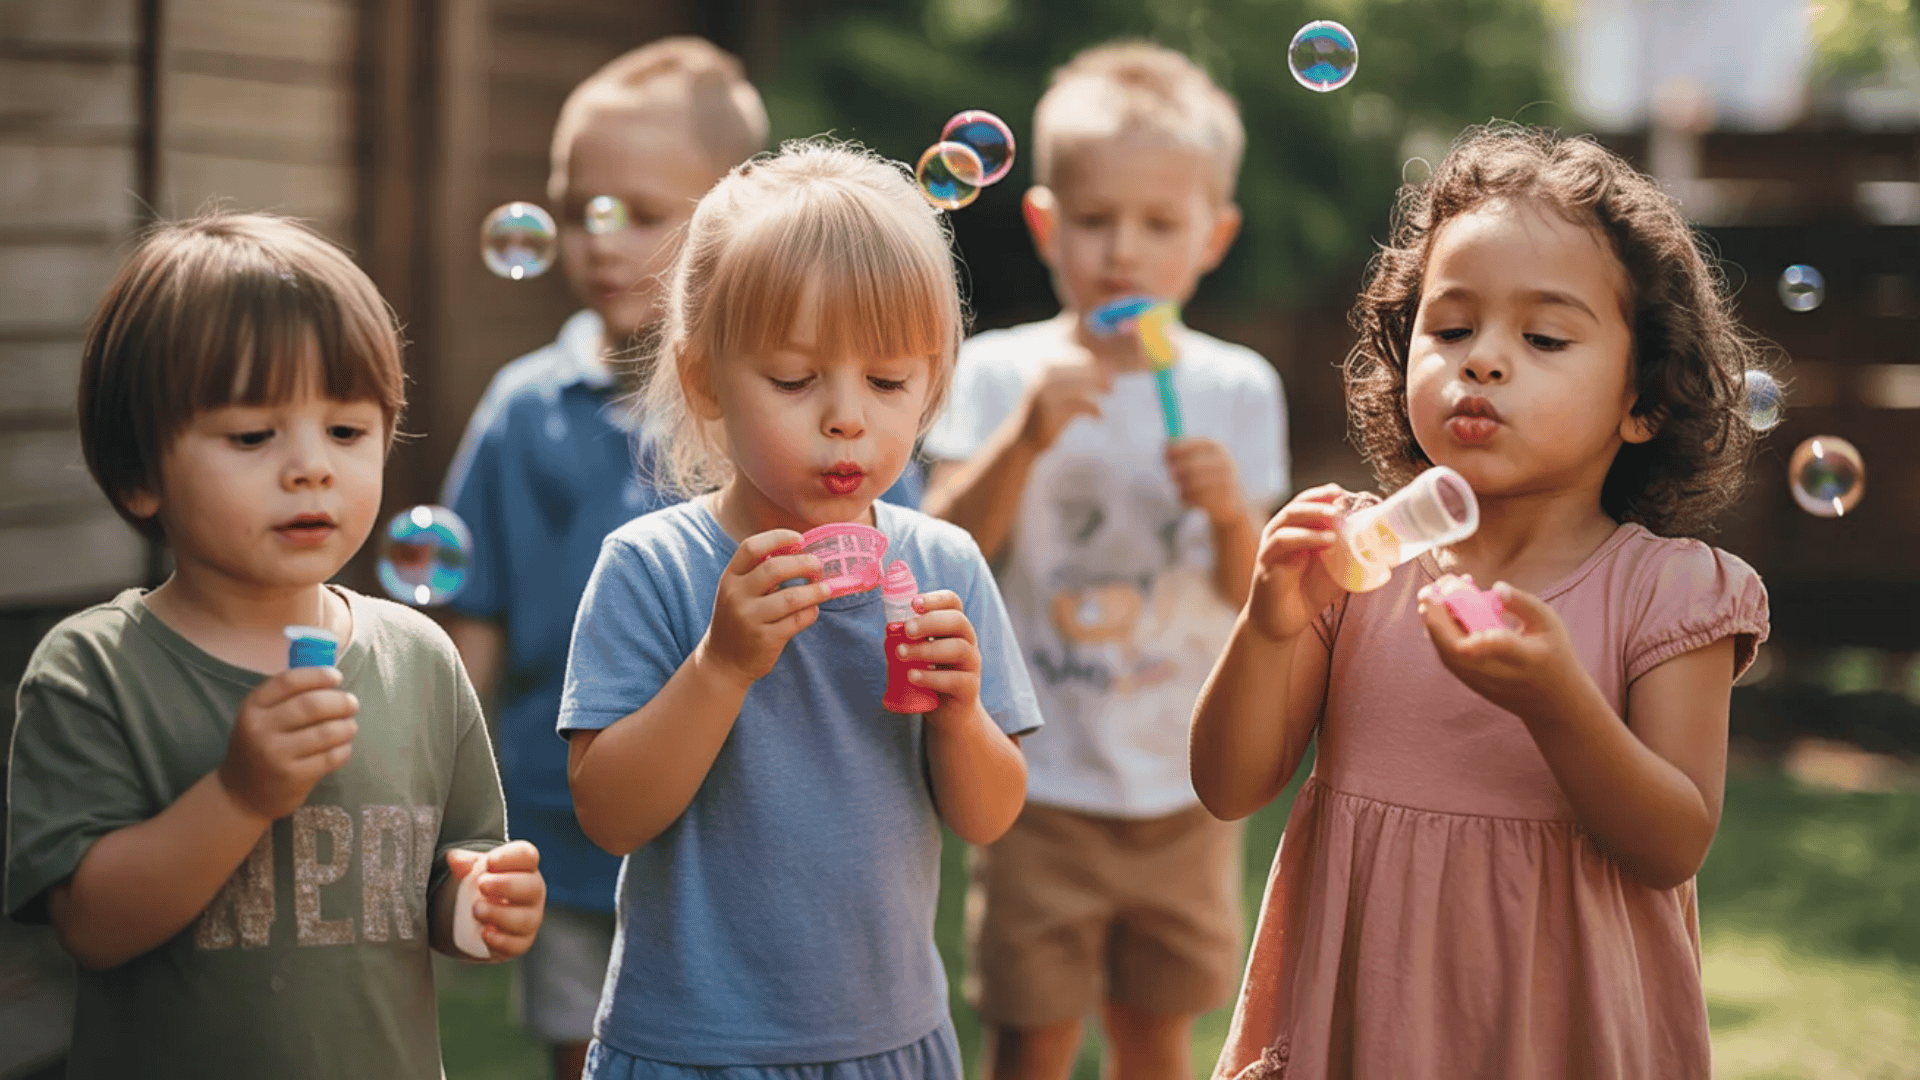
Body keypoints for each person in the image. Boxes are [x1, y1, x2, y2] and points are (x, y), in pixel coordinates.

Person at [1191, 125, 1772, 1078]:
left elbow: (1672, 841)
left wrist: (1558, 702)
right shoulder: (1356, 563)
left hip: (1557, 1032)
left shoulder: (1667, 592)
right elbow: (1228, 785)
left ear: (1643, 399)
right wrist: (1268, 624)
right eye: (1451, 328)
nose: (1484, 361)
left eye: (1543, 337)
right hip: (1364, 1023)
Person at [437, 38, 892, 1079]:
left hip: (757, 830)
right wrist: (446, 787)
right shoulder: (524, 409)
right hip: (568, 822)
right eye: (575, 207)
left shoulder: (804, 415)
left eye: (638, 213)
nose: (598, 242)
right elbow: (473, 622)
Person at [2, 212, 547, 1080]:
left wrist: (480, 910)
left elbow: (454, 873)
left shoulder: (418, 659)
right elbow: (92, 929)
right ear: (141, 472)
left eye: (346, 431)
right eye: (253, 436)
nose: (311, 468)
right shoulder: (94, 670)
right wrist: (239, 793)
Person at [555, 139, 1040, 1080]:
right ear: (703, 383)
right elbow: (609, 815)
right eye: (793, 379)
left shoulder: (943, 564)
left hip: (885, 1042)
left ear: (933, 385)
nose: (846, 417)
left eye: (890, 382)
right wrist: (720, 667)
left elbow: (989, 815)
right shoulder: (655, 567)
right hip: (693, 1049)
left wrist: (961, 716)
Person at [921, 42, 1288, 1080]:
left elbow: (1248, 590)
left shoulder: (1235, 390)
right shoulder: (999, 376)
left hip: (1183, 786)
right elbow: (945, 550)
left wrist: (1228, 517)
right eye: (1094, 221)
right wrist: (1026, 439)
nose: (1121, 249)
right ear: (1045, 223)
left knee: (1155, 1033)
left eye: (1159, 224)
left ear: (1212, 237)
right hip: (1037, 783)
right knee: (1031, 1034)